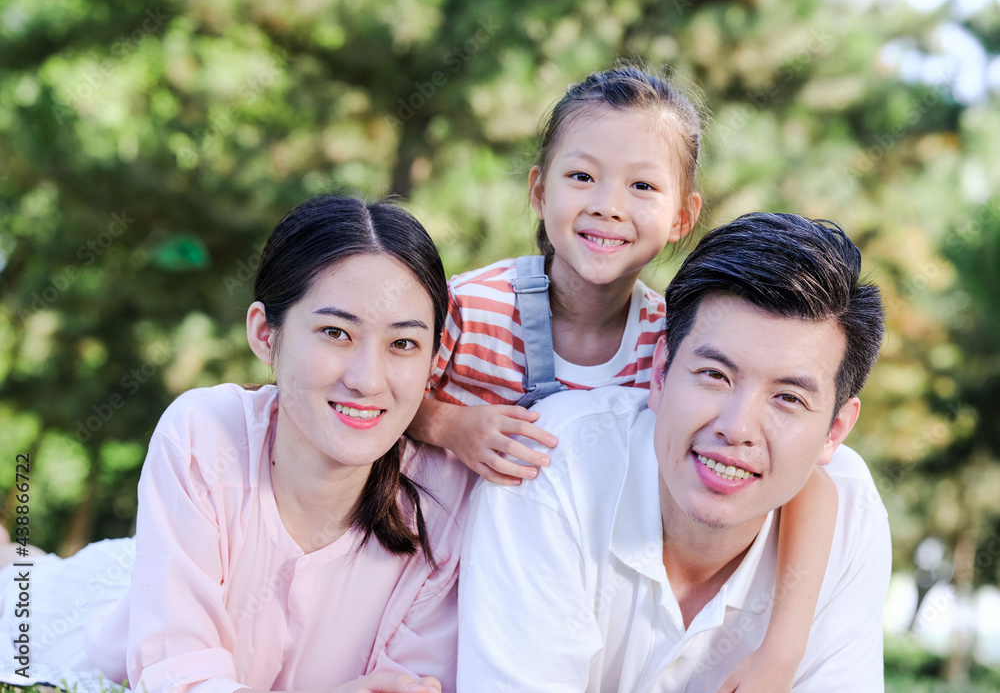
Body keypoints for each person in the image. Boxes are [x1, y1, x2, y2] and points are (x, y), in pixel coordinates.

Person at [408, 65, 840, 691]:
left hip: (555, 595)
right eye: (581, 177)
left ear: (681, 217)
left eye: (642, 185)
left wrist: (782, 648)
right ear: (539, 190)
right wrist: (448, 422)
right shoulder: (468, 308)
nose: (607, 206)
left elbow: (817, 484)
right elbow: (377, 398)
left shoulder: (675, 347)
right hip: (427, 578)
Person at [0, 194, 475, 693]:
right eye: (336, 332)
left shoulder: (446, 498)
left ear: (432, 358)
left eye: (403, 343)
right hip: (113, 617)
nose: (367, 379)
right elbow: (177, 677)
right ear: (264, 333)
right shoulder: (204, 434)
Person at [457, 212, 892, 691]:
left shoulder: (851, 514)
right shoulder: (548, 465)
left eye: (788, 398)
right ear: (660, 371)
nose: (737, 428)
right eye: (714, 375)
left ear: (835, 430)